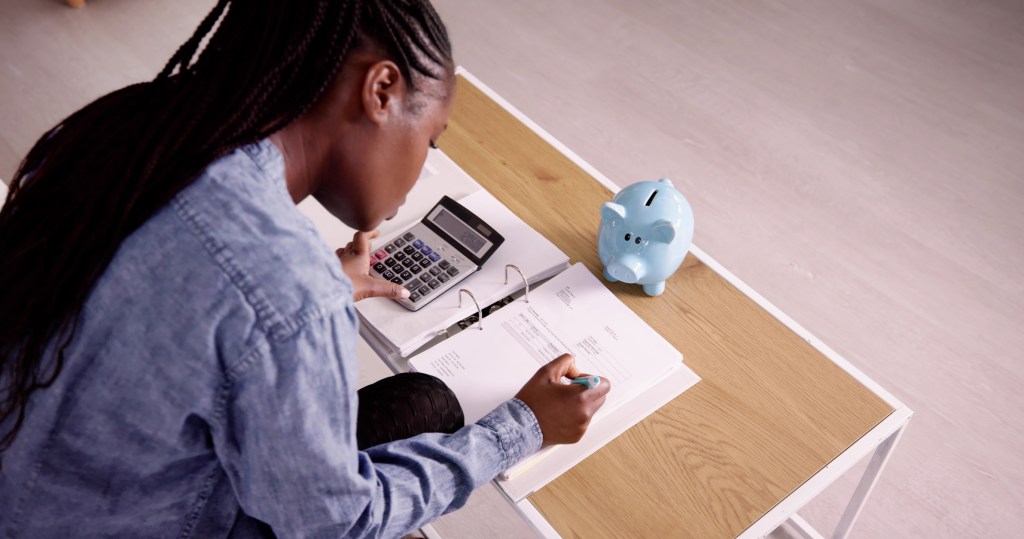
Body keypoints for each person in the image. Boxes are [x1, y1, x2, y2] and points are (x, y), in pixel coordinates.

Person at [0, 1, 611, 537]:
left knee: (422, 402)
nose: (425, 164)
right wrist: (525, 426)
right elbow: (334, 525)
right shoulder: (285, 287)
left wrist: (301, 299)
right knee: (429, 430)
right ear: (380, 90)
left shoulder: (119, 129)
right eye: (432, 139)